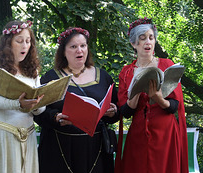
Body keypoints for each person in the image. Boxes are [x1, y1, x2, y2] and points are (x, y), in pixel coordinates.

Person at [34, 27, 119, 173]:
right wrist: (55, 117)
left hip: (95, 149)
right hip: (60, 149)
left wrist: (113, 112)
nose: (79, 50)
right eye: (73, 47)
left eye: (83, 46)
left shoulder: (104, 77)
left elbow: (116, 111)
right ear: (64, 52)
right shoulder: (50, 78)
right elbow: (38, 112)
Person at [114, 17, 189, 173]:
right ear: (134, 44)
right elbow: (126, 112)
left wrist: (158, 97)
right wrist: (135, 92)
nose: (148, 42)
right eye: (142, 39)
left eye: (151, 37)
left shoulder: (166, 64)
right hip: (138, 133)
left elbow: (174, 106)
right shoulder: (126, 72)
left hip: (165, 132)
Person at [0, 20, 46, 173]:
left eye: (28, 41)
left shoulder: (32, 70)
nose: (25, 46)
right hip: (0, 137)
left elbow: (39, 110)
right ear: (8, 43)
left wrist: (37, 104)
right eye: (19, 41)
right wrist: (18, 104)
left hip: (28, 137)